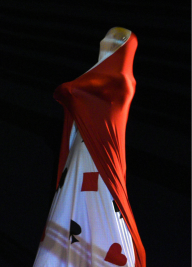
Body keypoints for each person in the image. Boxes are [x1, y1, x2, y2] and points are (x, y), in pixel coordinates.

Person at [34, 27, 146, 267]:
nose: (106, 42)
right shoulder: (96, 81)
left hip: (100, 156)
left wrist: (71, 90)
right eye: (106, 38)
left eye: (116, 40)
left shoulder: (122, 81)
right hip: (81, 153)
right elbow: (77, 92)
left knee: (99, 207)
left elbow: (77, 90)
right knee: (72, 205)